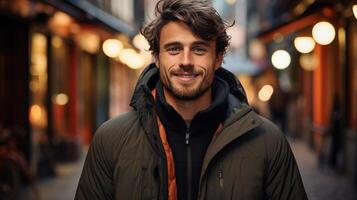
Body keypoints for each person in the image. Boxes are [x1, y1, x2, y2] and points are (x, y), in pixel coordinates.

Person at [75, 0, 307, 199]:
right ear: (156, 57)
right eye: (174, 49)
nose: (186, 61)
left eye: (199, 49)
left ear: (218, 59)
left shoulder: (267, 142)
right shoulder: (111, 140)